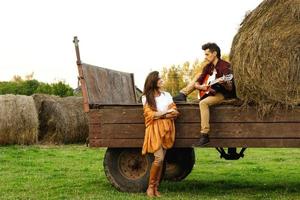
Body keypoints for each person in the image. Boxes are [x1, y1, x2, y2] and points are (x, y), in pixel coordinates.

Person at [173, 42, 236, 146]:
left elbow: (230, 88)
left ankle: (204, 134)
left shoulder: (225, 66)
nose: (205, 57)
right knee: (199, 75)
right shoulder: (208, 67)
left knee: (203, 103)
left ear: (214, 53)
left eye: (207, 54)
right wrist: (200, 86)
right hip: (209, 90)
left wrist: (225, 83)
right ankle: (182, 94)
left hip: (222, 93)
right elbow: (198, 81)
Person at [141, 71, 179, 197]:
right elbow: (150, 115)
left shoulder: (166, 95)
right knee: (159, 158)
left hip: (167, 128)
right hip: (154, 129)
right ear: (154, 81)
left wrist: (161, 114)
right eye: (159, 79)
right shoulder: (146, 97)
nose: (162, 80)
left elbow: (175, 112)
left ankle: (156, 188)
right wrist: (165, 113)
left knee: (162, 161)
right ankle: (150, 187)